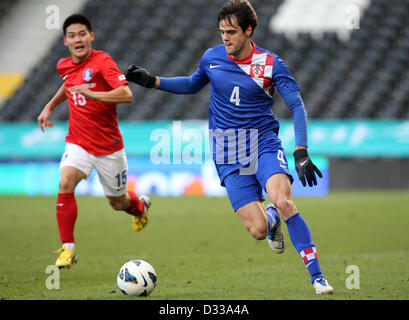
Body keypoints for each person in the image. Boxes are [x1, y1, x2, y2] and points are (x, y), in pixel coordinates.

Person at [126, 0, 333, 295]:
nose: (225, 37)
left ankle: (317, 276)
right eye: (222, 31)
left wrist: (300, 150)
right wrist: (152, 81)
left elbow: (297, 105)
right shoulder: (212, 57)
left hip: (262, 142)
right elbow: (191, 84)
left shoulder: (272, 64)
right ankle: (271, 219)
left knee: (284, 201)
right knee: (258, 231)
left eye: (232, 32)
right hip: (227, 151)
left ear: (249, 31)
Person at [37, 14, 150, 269]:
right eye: (72, 36)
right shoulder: (63, 65)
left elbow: (126, 94)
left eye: (82, 34)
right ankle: (68, 248)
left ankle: (140, 208)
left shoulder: (102, 62)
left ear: (91, 36)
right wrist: (49, 106)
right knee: (65, 182)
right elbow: (68, 85)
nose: (78, 39)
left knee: (117, 202)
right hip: (78, 141)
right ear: (65, 41)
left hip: (108, 147)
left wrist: (93, 93)